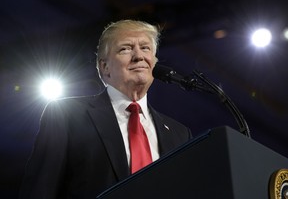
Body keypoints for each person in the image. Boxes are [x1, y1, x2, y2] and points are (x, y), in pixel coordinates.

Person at [19, 19, 192, 199]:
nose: (139, 56)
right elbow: (40, 190)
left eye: (145, 48)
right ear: (105, 67)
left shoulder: (180, 134)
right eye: (125, 48)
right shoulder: (66, 115)